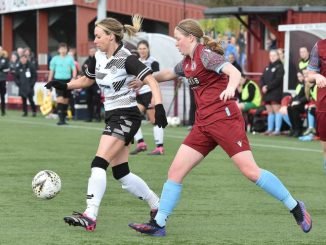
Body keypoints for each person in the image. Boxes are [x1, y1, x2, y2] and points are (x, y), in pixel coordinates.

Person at [128, 18, 312, 237]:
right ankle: (158, 224)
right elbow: (167, 73)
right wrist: (145, 80)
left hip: (225, 120)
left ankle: (295, 206)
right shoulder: (186, 62)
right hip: (203, 125)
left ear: (190, 38)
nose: (175, 43)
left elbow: (234, 73)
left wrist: (231, 88)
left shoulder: (206, 55)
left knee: (251, 172)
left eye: (178, 39)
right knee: (175, 172)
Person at [45, 15, 168, 231]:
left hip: (126, 116)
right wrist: (63, 85)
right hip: (113, 116)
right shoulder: (98, 57)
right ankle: (157, 205)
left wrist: (158, 108)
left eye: (98, 36)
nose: (95, 40)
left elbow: (150, 80)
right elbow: (87, 80)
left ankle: (90, 214)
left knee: (98, 163)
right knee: (122, 174)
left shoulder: (126, 58)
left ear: (111, 36)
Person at [130, 40, 165, 155]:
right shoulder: (137, 62)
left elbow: (156, 80)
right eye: (140, 49)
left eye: (144, 48)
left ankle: (159, 148)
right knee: (132, 117)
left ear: (148, 49)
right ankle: (141, 144)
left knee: (154, 120)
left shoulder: (153, 62)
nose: (142, 51)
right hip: (140, 95)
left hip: (150, 94)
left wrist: (155, 97)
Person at [307, 39, 326, 170]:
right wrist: (317, 77)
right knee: (325, 144)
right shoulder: (319, 46)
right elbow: (310, 75)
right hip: (324, 101)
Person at [47, 42, 77, 125]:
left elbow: (73, 68)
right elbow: (52, 71)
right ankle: (60, 119)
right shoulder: (55, 59)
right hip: (58, 80)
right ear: (58, 50)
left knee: (66, 100)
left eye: (65, 48)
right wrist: (49, 81)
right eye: (61, 49)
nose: (63, 50)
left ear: (67, 50)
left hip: (67, 81)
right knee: (60, 99)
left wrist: (74, 77)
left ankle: (64, 118)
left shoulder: (70, 58)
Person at [260, 49, 284, 136]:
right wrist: (262, 86)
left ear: (278, 56)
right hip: (267, 93)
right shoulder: (267, 67)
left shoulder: (280, 67)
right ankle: (269, 129)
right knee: (269, 111)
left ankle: (277, 130)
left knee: (276, 110)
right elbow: (262, 78)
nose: (272, 57)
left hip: (275, 92)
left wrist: (267, 87)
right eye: (271, 55)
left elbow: (277, 80)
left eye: (274, 55)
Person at [83, 47, 102, 122]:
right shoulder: (86, 61)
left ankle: (98, 116)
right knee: (88, 100)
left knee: (97, 100)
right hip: (88, 84)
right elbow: (83, 70)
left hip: (96, 84)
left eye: (94, 51)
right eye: (91, 51)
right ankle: (89, 117)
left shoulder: (99, 60)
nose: (92, 53)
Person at [287, 71, 307, 137]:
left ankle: (299, 129)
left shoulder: (307, 84)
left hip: (305, 104)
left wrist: (299, 101)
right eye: (298, 76)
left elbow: (307, 96)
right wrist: (291, 102)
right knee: (289, 108)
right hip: (298, 104)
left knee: (294, 108)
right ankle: (294, 128)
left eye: (300, 76)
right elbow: (296, 96)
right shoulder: (299, 85)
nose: (299, 78)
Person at [0, 49, 9, 116]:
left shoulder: (4, 59)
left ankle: (3, 111)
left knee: (2, 96)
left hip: (2, 79)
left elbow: (6, 68)